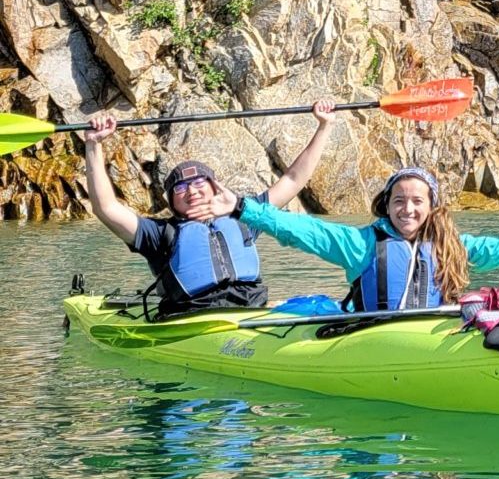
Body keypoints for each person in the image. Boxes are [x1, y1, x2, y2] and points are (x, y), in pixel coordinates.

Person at [211, 165, 499, 311]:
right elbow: (303, 230)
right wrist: (244, 207)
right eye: (399, 201)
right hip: (371, 338)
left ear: (432, 206)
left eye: (417, 201)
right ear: (386, 205)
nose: (407, 209)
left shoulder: (451, 247)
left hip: (428, 334)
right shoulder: (362, 244)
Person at [82, 101, 338, 317]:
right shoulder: (158, 234)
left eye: (198, 183)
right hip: (193, 318)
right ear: (171, 201)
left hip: (251, 311)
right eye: (180, 188)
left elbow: (292, 180)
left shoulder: (245, 217)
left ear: (215, 188)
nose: (191, 192)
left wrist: (324, 125)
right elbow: (105, 207)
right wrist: (93, 145)